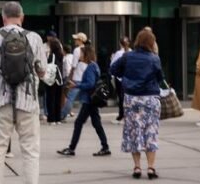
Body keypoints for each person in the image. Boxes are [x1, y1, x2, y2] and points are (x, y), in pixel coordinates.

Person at [0, 2, 46, 184]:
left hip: (0, 101)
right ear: (22, 17)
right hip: (28, 101)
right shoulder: (34, 38)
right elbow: (42, 71)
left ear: (3, 17)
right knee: (30, 150)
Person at [111, 28, 163, 180]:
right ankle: (151, 168)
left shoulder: (127, 56)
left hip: (131, 98)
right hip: (150, 99)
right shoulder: (154, 58)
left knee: (134, 131)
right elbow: (160, 77)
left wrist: (126, 76)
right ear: (151, 43)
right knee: (151, 132)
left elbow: (113, 69)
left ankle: (137, 167)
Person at [57, 45, 111, 157]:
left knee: (79, 123)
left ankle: (71, 148)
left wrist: (76, 85)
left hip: (89, 100)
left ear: (86, 54)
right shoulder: (94, 66)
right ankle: (105, 147)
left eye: (81, 53)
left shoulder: (90, 67)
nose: (79, 55)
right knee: (96, 123)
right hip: (92, 99)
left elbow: (90, 84)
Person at [62, 32, 89, 118]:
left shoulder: (77, 50)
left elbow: (73, 66)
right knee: (85, 98)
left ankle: (62, 115)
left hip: (77, 76)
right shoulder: (88, 49)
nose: (75, 40)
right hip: (86, 76)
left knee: (70, 97)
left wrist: (70, 76)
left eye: (76, 39)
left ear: (80, 40)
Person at [45, 37, 66, 125]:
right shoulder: (61, 55)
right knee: (58, 98)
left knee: (50, 99)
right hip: (59, 79)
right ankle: (58, 118)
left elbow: (48, 65)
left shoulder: (52, 55)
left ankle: (51, 118)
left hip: (52, 79)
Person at [110, 37, 131, 124]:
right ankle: (126, 115)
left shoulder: (119, 53)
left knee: (121, 97)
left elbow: (113, 65)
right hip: (129, 78)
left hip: (120, 78)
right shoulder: (131, 52)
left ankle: (121, 115)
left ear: (120, 44)